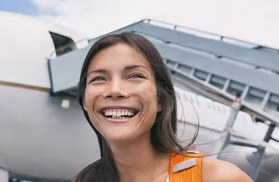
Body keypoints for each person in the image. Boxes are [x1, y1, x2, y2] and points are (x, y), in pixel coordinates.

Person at [73, 32, 252, 182]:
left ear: (161, 99)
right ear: (85, 102)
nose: (115, 90)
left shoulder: (217, 178)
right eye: (99, 79)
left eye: (134, 75)